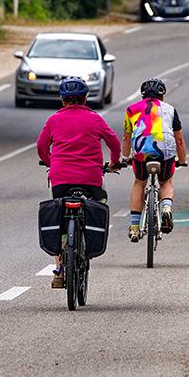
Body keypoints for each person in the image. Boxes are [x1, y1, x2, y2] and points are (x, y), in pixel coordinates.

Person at [36, 76, 123, 288]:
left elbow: (40, 146)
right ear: (86, 98)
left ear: (62, 99)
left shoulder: (54, 120)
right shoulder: (95, 119)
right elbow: (114, 143)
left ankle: (58, 269)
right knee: (99, 203)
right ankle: (87, 242)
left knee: (58, 215)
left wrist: (51, 163)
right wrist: (112, 164)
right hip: (91, 178)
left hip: (60, 178)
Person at [122, 77, 187, 241]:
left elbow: (126, 139)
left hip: (141, 151)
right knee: (166, 181)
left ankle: (135, 227)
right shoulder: (170, 110)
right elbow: (179, 140)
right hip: (165, 150)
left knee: (139, 182)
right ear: (162, 96)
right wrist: (181, 160)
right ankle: (166, 208)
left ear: (142, 95)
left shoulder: (131, 110)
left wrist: (125, 158)